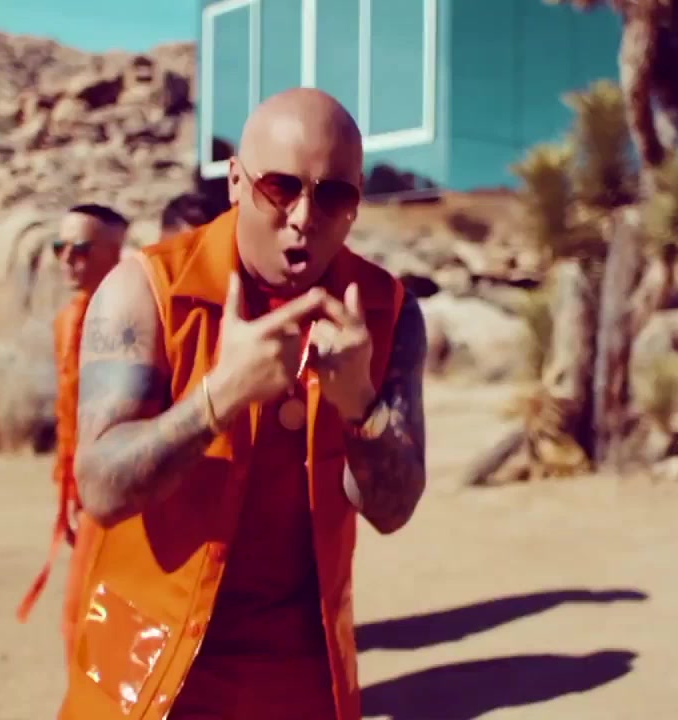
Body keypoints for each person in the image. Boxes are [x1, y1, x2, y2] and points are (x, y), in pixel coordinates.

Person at [57, 88, 428, 720]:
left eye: (334, 196)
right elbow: (102, 488)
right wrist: (220, 396)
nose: (304, 217)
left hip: (298, 679)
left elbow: (393, 511)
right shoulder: (147, 289)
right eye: (279, 188)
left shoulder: (384, 311)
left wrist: (361, 408)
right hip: (145, 660)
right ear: (235, 182)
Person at [16, 203, 128, 658]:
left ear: (115, 252)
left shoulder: (137, 319)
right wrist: (67, 493)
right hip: (83, 491)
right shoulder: (66, 322)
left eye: (80, 249)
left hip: (127, 491)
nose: (67, 259)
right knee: (81, 618)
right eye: (59, 247)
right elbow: (69, 417)